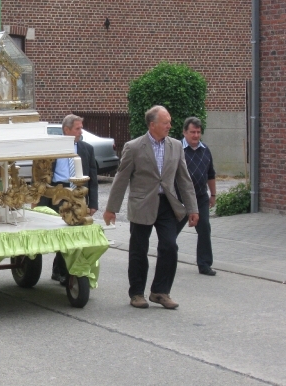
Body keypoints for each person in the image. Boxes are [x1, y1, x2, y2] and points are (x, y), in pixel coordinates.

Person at [103, 105, 199, 310]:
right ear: (152, 124)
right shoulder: (134, 147)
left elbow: (184, 179)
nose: (169, 126)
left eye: (169, 122)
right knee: (139, 249)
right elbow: (121, 179)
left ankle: (160, 292)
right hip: (142, 204)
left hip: (167, 205)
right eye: (166, 122)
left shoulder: (175, 146)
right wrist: (112, 208)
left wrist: (193, 209)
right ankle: (137, 293)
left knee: (169, 246)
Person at [37, 114, 98, 284]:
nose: (81, 132)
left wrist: (93, 203)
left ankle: (64, 271)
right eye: (77, 128)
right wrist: (40, 203)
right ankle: (62, 270)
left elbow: (92, 178)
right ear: (67, 130)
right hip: (58, 193)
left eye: (81, 128)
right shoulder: (53, 149)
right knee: (61, 234)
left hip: (78, 194)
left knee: (74, 235)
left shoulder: (87, 149)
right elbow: (42, 176)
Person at [176, 117, 217, 276]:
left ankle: (204, 264)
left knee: (205, 227)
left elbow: (211, 174)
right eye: (192, 132)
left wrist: (212, 194)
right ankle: (166, 257)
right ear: (185, 132)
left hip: (200, 197)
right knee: (171, 232)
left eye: (198, 132)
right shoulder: (177, 149)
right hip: (180, 198)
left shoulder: (205, 150)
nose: (195, 135)